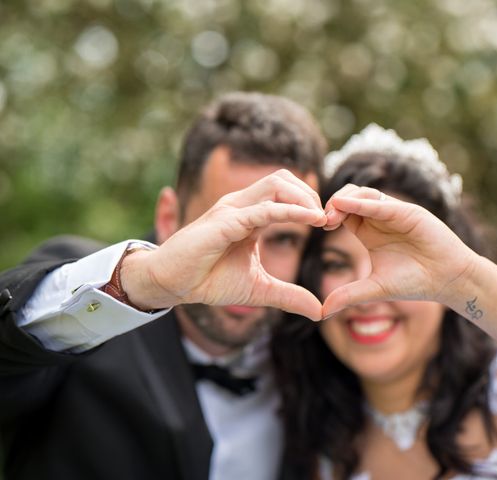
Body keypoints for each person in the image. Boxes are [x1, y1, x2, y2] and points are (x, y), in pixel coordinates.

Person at [0, 92, 328, 480]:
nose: (250, 261)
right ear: (169, 218)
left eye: (284, 240)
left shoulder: (319, 354)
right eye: (230, 228)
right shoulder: (89, 294)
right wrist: (142, 283)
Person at [271, 124, 497, 480]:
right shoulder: (315, 442)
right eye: (337, 263)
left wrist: (462, 278)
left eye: (397, 260)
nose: (368, 290)